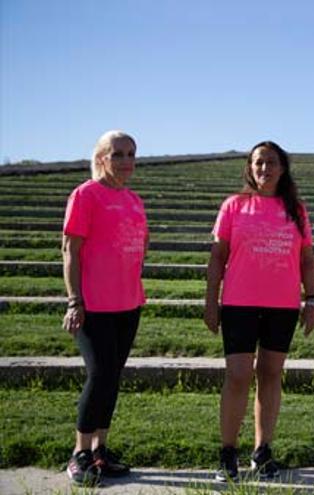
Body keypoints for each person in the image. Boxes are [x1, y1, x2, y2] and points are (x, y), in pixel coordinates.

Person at [204, 141, 314, 482]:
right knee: (238, 375)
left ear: (282, 168)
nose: (264, 168)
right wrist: (211, 301)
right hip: (239, 303)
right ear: (250, 168)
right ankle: (227, 454)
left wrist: (311, 300)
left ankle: (262, 450)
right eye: (258, 163)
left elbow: (307, 260)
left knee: (270, 375)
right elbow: (217, 257)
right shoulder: (234, 206)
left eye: (271, 162)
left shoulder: (296, 210)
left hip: (282, 305)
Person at [62, 130, 147, 486]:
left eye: (131, 154)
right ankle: (79, 454)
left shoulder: (134, 200)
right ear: (101, 158)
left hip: (128, 304)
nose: (126, 161)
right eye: (118, 155)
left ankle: (100, 451)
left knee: (112, 377)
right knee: (99, 375)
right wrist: (74, 300)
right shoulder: (85, 195)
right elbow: (70, 251)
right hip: (92, 306)